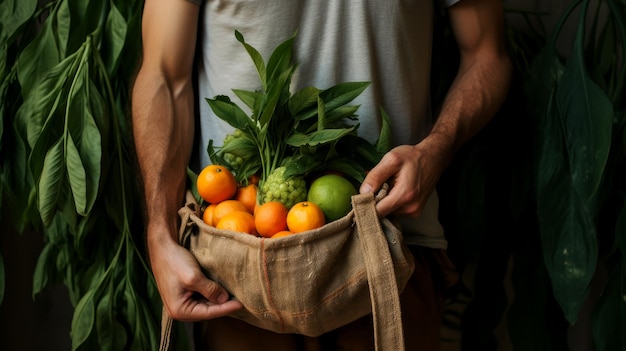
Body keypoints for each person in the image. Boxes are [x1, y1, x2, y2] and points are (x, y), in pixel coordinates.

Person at [131, 0, 512, 349]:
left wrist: (435, 151)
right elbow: (164, 74)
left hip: (390, 253)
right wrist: (160, 236)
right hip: (239, 269)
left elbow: (487, 54)